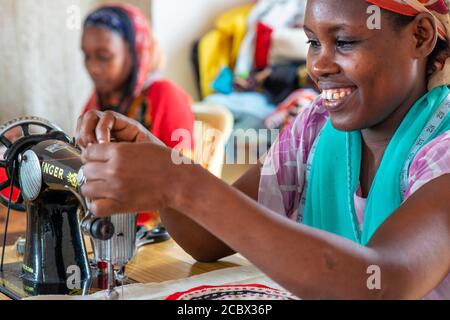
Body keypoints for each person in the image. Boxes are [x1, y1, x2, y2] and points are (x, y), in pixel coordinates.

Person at [76, 0, 450, 299]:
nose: (318, 65)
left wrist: (179, 182)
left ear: (420, 36)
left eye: (345, 42)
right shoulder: (315, 128)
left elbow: (381, 285)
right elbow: (207, 239)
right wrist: (156, 160)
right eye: (313, 42)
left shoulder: (442, 149)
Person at [81, 4, 195, 227]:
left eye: (103, 56)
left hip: (156, 234)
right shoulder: (98, 101)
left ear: (135, 53)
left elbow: (186, 185)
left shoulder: (165, 97)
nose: (93, 68)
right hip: (106, 226)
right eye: (87, 56)